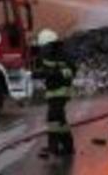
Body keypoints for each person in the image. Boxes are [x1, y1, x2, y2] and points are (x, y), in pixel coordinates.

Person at [35, 28, 75, 156]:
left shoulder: (62, 55)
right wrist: (39, 74)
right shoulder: (50, 54)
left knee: (53, 118)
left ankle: (53, 147)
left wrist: (54, 73)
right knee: (60, 119)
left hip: (61, 91)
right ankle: (68, 147)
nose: (42, 50)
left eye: (43, 47)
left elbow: (71, 71)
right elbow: (46, 69)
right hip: (53, 91)